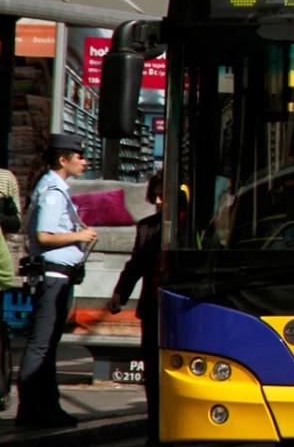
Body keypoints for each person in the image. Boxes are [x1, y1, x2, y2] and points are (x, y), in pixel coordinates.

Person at [18, 133, 97, 429]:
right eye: (80, 156)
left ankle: (47, 408)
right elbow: (43, 235)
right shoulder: (52, 192)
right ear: (63, 159)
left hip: (58, 277)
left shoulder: (56, 189)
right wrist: (80, 235)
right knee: (41, 345)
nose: (84, 161)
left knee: (48, 345)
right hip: (52, 278)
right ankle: (33, 410)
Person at [108, 173, 163, 442]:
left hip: (185, 313)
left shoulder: (194, 227)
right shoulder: (147, 227)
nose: (161, 201)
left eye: (166, 195)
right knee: (152, 374)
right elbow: (135, 266)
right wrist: (120, 294)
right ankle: (155, 430)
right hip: (153, 310)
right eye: (157, 196)